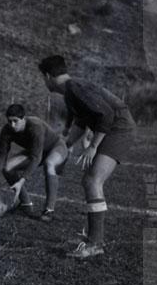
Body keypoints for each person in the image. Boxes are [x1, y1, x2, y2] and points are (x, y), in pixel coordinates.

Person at [38, 54, 136, 259]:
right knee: (89, 180)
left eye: (43, 78)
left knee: (92, 180)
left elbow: (106, 115)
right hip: (116, 126)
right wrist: (66, 144)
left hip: (119, 128)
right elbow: (82, 122)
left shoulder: (74, 88)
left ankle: (95, 244)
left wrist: (92, 146)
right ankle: (93, 239)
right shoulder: (71, 90)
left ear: (47, 76)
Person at [0, 104, 69, 222]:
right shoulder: (6, 130)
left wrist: (21, 181)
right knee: (7, 168)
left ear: (23, 118)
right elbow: (3, 153)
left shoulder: (35, 126)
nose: (12, 125)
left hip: (56, 147)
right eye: (9, 121)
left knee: (49, 164)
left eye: (15, 121)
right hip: (36, 151)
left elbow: (36, 158)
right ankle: (26, 204)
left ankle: (49, 210)